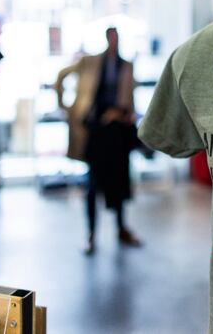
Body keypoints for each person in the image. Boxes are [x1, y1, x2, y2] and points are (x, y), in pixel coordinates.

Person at [55, 27, 141, 254]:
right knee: (93, 184)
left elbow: (129, 97)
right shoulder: (91, 62)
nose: (114, 42)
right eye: (111, 38)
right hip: (96, 131)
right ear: (106, 39)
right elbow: (62, 75)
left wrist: (123, 114)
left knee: (120, 182)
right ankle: (91, 233)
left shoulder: (125, 65)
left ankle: (121, 227)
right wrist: (66, 106)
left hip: (118, 132)